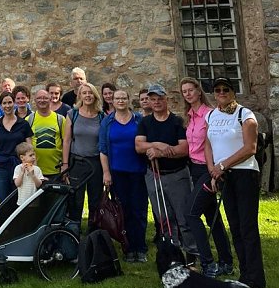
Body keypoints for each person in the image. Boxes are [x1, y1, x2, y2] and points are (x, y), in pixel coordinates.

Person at [205, 77, 266, 288]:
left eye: (226, 89)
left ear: (233, 92)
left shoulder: (245, 114)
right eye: (217, 90)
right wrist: (213, 168)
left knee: (247, 226)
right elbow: (208, 144)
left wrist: (223, 165)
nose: (221, 93)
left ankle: (256, 278)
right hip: (223, 176)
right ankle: (245, 273)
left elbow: (250, 147)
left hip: (244, 174)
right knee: (235, 226)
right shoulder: (211, 115)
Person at [135, 84, 196, 257]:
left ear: (166, 99)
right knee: (164, 219)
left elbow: (183, 149)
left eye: (160, 99)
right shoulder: (145, 122)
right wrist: (158, 144)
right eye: (153, 99)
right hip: (154, 176)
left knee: (183, 218)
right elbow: (139, 146)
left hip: (177, 176)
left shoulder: (177, 121)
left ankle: (192, 254)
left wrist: (158, 152)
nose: (156, 102)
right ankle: (172, 254)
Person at [180, 77, 233, 277]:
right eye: (184, 91)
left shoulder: (210, 115)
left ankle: (208, 262)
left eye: (190, 90)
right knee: (212, 217)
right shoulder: (190, 116)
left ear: (198, 91)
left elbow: (216, 145)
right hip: (193, 168)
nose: (187, 94)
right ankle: (226, 262)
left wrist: (215, 173)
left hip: (208, 170)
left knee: (191, 214)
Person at [99, 88, 148, 262]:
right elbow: (103, 150)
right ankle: (127, 248)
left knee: (139, 210)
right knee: (123, 211)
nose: (120, 101)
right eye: (117, 98)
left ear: (129, 100)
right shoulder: (107, 122)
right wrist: (106, 173)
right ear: (112, 101)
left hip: (138, 171)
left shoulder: (138, 120)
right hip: (117, 173)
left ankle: (140, 248)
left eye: (123, 98)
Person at [61, 82, 104, 234]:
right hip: (77, 162)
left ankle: (94, 233)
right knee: (75, 200)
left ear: (95, 95)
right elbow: (66, 140)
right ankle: (73, 233)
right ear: (80, 96)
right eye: (84, 93)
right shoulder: (73, 114)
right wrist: (65, 164)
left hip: (95, 163)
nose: (87, 96)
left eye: (90, 93)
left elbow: (103, 143)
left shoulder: (101, 116)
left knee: (95, 199)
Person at [0, 91, 33, 202]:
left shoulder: (23, 124)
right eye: (4, 103)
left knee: (19, 199)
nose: (7, 106)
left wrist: (33, 169)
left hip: (19, 167)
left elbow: (30, 149)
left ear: (14, 103)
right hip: (0, 167)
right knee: (2, 200)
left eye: (10, 102)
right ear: (0, 105)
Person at [27, 88, 66, 180]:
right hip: (35, 170)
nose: (42, 100)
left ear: (50, 99)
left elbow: (65, 143)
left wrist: (65, 165)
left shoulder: (60, 119)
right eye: (39, 98)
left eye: (45, 98)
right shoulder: (28, 120)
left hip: (56, 170)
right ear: (35, 101)